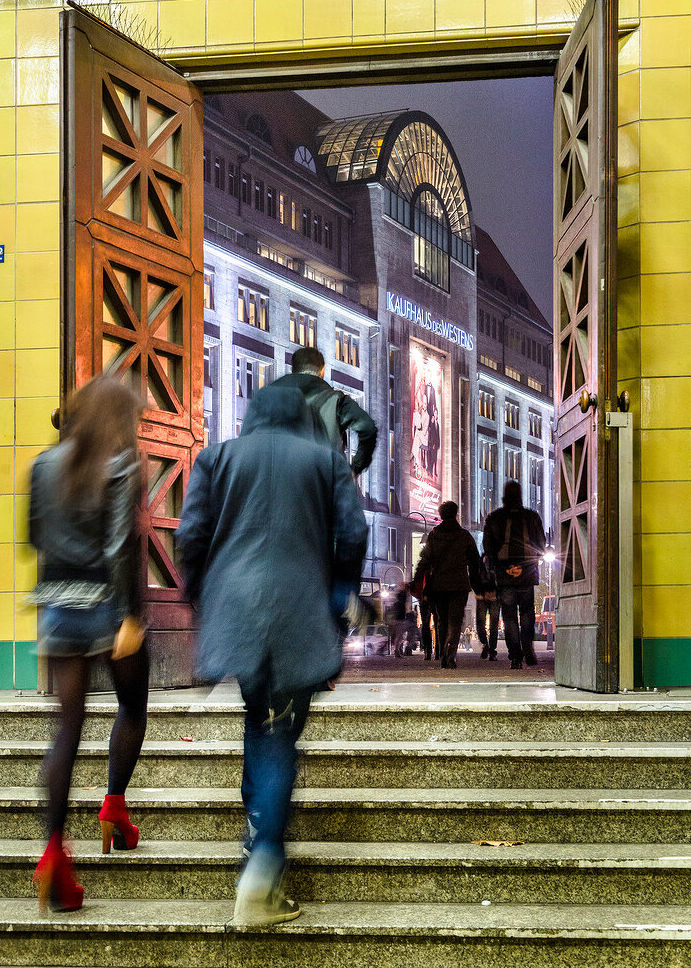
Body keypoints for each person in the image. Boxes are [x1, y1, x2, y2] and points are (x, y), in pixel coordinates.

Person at [176, 384, 368, 926]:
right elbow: (353, 534)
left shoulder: (217, 457)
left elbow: (191, 535)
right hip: (298, 609)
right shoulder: (326, 462)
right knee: (280, 731)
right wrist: (339, 595)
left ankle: (256, 831)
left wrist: (199, 595)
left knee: (258, 718)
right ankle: (262, 866)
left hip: (236, 608)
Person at [28, 376, 149, 914]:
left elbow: (33, 536)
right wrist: (130, 616)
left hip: (55, 605)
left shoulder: (42, 464)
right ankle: (114, 807)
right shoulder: (123, 464)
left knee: (67, 729)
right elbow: (122, 544)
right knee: (131, 706)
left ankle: (54, 851)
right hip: (105, 602)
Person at [268, 346, 377, 476]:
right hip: (322, 483)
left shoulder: (268, 399)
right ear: (322, 371)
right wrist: (355, 469)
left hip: (278, 482)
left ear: (293, 370)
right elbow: (368, 428)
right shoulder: (336, 400)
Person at [410, 501, 483, 669]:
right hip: (459, 585)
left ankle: (443, 654)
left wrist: (416, 580)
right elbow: (474, 561)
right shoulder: (464, 535)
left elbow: (425, 560)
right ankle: (450, 655)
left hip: (439, 585)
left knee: (441, 621)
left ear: (441, 515)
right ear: (456, 514)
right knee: (456, 622)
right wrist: (476, 583)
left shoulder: (434, 535)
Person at [483, 480, 546, 670]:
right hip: (526, 571)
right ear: (520, 495)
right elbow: (541, 544)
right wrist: (533, 560)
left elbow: (488, 547)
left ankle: (515, 657)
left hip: (504, 573)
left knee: (509, 615)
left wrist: (496, 566)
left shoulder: (494, 518)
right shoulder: (531, 516)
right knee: (527, 612)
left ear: (504, 495)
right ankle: (527, 645)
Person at [476, 554, 500, 661]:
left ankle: (487, 646)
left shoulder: (483, 561)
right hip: (486, 595)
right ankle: (489, 648)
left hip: (489, 596)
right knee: (491, 624)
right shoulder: (484, 561)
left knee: (484, 623)